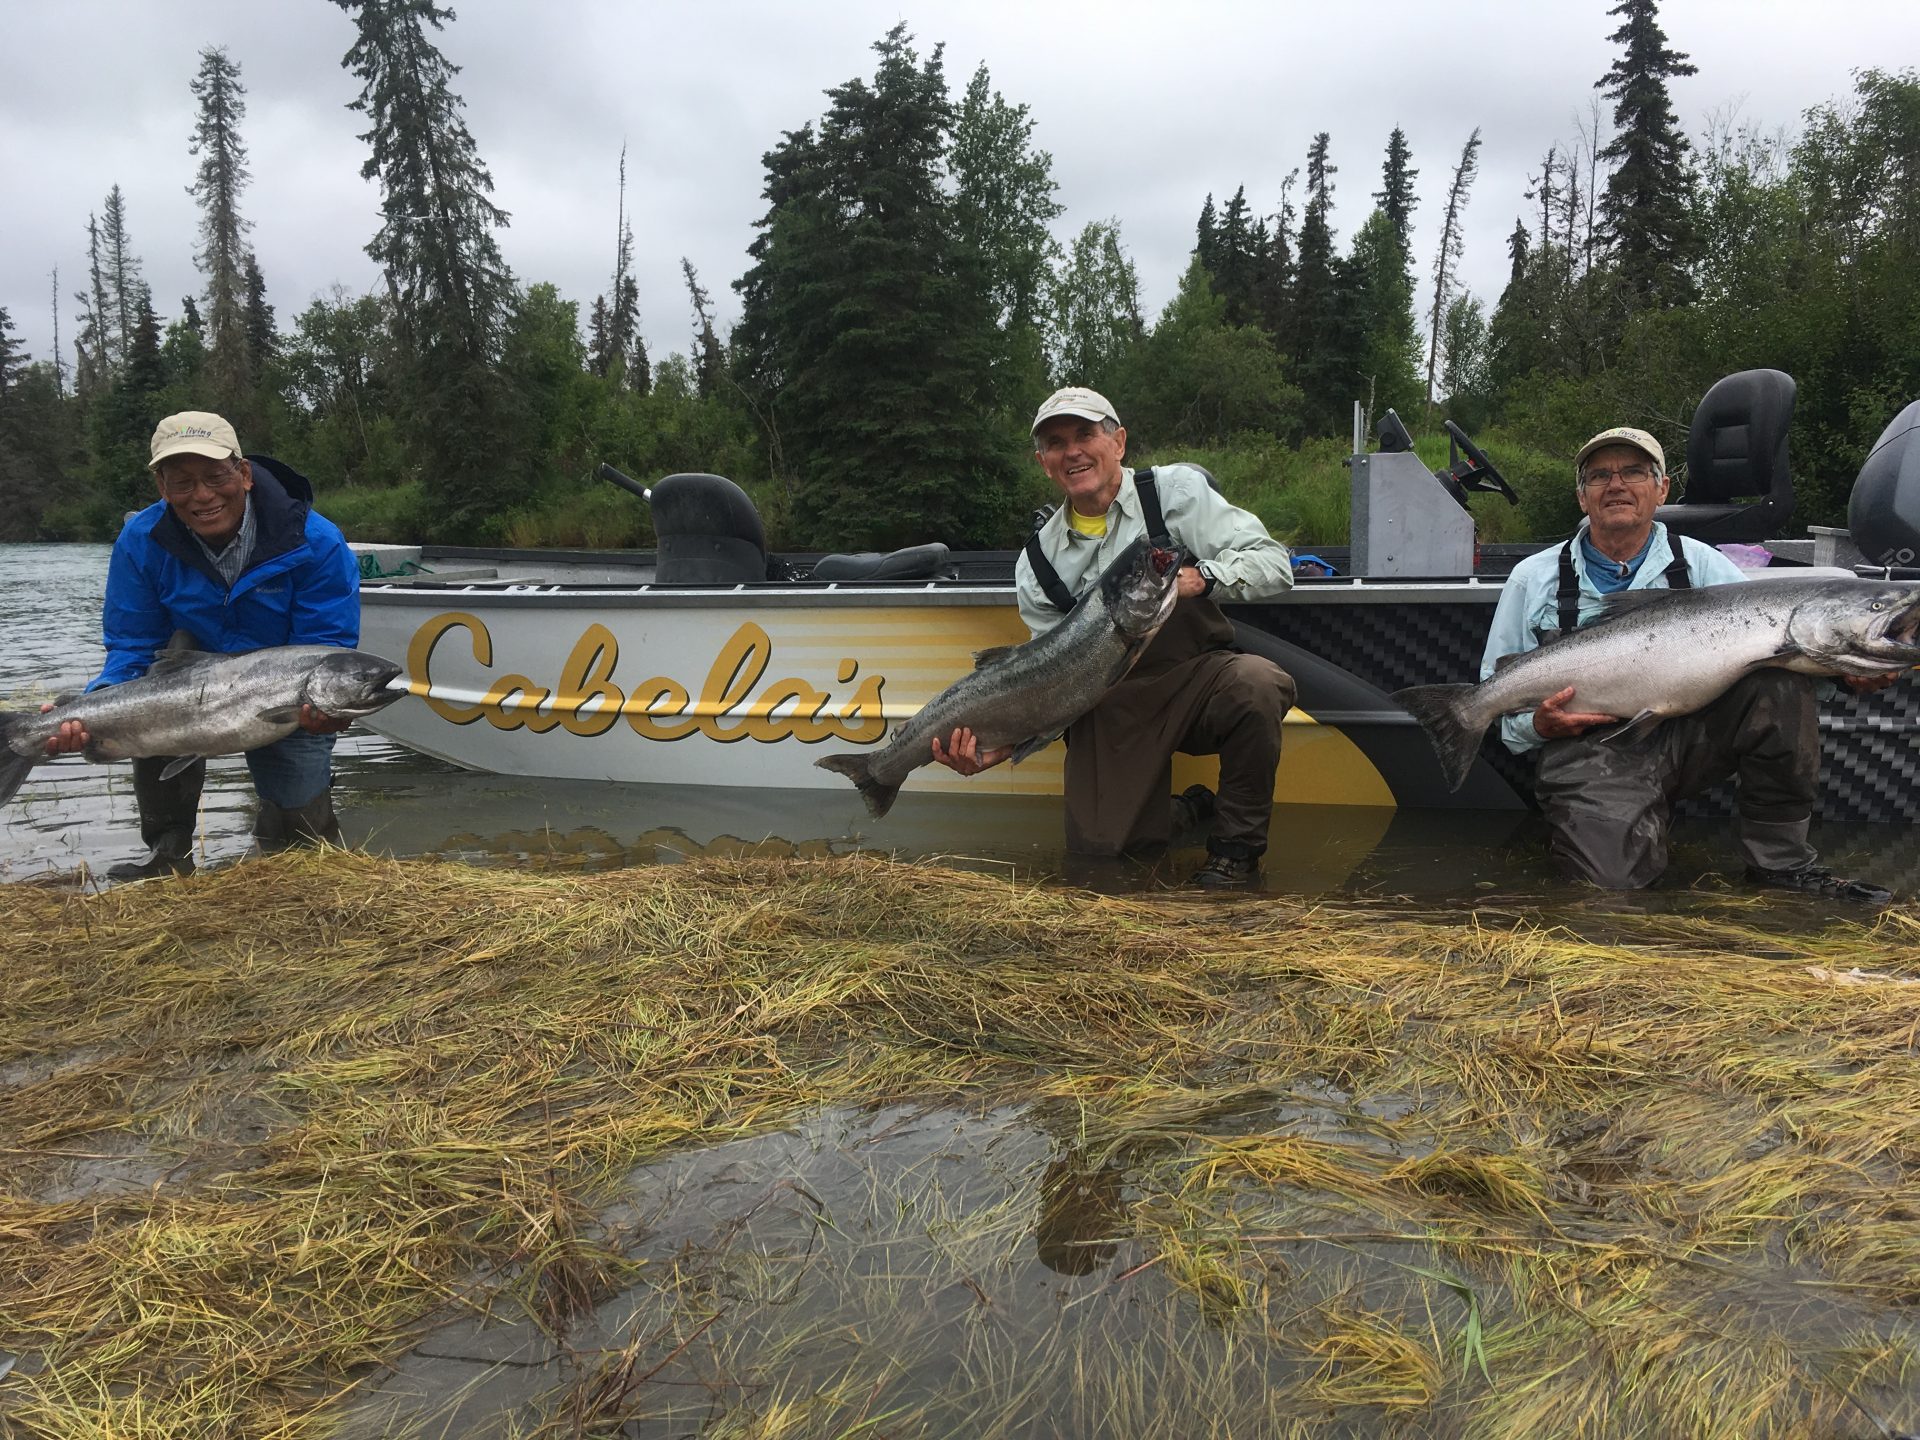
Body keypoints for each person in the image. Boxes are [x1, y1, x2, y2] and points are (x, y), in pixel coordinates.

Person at [1481, 425, 1896, 900]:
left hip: (1693, 738)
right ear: (1582, 497)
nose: (1616, 485)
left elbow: (1781, 652)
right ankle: (1615, 825)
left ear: (1661, 489)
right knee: (1609, 890)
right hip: (1592, 751)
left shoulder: (1707, 567)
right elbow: (1495, 693)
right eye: (1599, 476)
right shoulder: (1530, 579)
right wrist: (1538, 725)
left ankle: (1780, 863)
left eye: (1633, 472)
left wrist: (1847, 675)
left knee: (1777, 682)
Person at [933, 387, 1297, 888]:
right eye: (1056, 443)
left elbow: (1274, 564)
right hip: (1105, 709)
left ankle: (1235, 853)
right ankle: (1187, 811)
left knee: (1257, 684)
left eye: (1085, 434)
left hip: (1193, 683)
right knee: (1104, 864)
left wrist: (1202, 578)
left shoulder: (1174, 493)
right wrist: (1005, 746)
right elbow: (1049, 683)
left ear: (1119, 442)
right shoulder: (1036, 563)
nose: (1073, 452)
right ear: (1043, 463)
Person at [43, 411, 362, 877]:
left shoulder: (315, 541)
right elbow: (133, 644)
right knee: (150, 699)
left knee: (304, 847)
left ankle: (291, 861)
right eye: (183, 482)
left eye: (215, 477)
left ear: (244, 474)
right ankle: (168, 856)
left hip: (281, 693)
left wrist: (329, 711)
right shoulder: (141, 540)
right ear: (162, 487)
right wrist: (96, 706)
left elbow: (324, 649)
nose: (203, 495)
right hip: (178, 685)